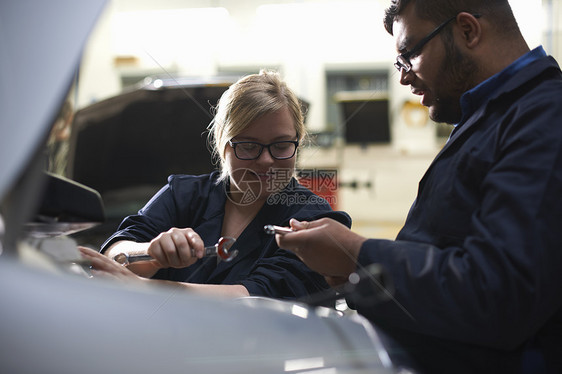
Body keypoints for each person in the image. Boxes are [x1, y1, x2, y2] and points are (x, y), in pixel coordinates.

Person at [276, 1, 562, 373]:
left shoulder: (545, 116)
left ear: (468, 31)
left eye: (409, 53)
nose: (403, 77)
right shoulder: (491, 114)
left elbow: (499, 294)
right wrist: (357, 271)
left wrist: (359, 256)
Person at [80, 70, 350, 301]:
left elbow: (259, 297)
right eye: (248, 146)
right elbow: (116, 253)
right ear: (222, 144)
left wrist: (143, 289)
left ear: (298, 142)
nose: (266, 160)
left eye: (281, 145)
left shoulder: (314, 218)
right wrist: (150, 253)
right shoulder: (183, 194)